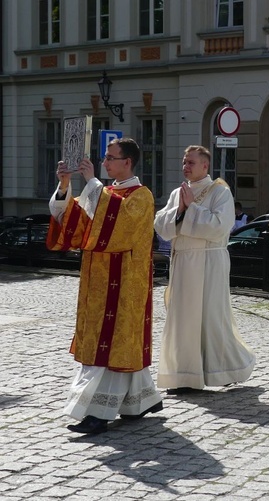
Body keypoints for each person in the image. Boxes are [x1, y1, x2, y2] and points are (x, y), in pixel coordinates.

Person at [47, 138, 162, 434]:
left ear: (128, 162)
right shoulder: (104, 192)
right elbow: (70, 221)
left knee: (111, 345)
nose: (105, 163)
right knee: (114, 344)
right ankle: (138, 401)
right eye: (105, 158)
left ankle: (97, 412)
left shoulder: (142, 196)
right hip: (96, 282)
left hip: (124, 284)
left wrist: (91, 182)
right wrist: (65, 184)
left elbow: (120, 225)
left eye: (111, 158)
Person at [154, 145, 256, 395]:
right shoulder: (180, 192)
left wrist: (190, 209)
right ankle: (184, 375)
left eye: (191, 162)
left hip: (209, 263)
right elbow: (160, 224)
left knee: (210, 319)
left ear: (205, 166)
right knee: (183, 321)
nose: (185, 166)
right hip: (183, 264)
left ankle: (228, 367)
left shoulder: (219, 192)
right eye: (184, 161)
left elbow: (220, 227)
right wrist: (180, 209)